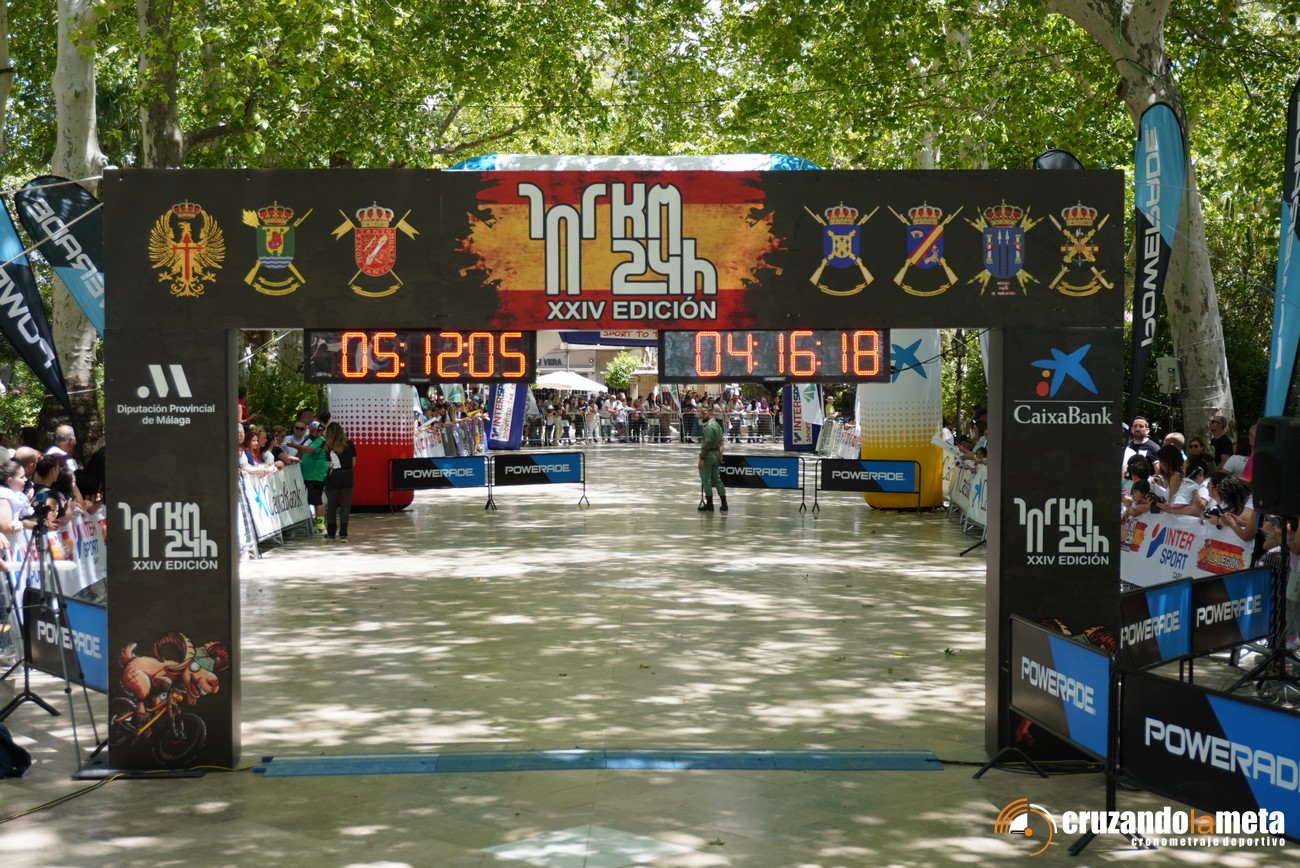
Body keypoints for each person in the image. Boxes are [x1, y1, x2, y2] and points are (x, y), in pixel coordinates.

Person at [322, 422, 357, 541]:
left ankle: (331, 533)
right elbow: (353, 463)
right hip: (348, 476)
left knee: (332, 505)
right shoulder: (350, 444)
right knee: (345, 506)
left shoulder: (327, 446)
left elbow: (328, 464)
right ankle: (343, 534)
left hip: (333, 477)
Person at [696, 404, 727, 513]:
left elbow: (707, 444)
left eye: (704, 413)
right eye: (701, 414)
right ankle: (724, 504)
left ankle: (709, 504)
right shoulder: (718, 426)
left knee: (706, 480)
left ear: (710, 413)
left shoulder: (709, 427)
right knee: (717, 480)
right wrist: (720, 455)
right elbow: (721, 443)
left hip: (708, 456)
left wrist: (702, 459)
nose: (702, 416)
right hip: (716, 454)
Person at [298, 421, 328, 531]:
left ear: (319, 431)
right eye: (310, 431)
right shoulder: (311, 440)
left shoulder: (321, 440)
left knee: (317, 501)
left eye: (313, 431)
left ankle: (320, 526)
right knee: (315, 501)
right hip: (310, 475)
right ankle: (319, 524)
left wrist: (294, 445)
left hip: (315, 476)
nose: (311, 433)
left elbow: (310, 450)